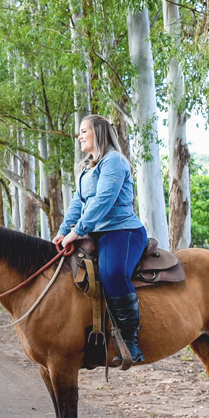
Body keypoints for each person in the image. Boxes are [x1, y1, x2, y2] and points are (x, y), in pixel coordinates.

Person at [53, 114, 148, 363]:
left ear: (99, 132)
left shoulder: (113, 161)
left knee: (112, 272)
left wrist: (78, 229)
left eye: (84, 131)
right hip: (97, 232)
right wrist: (63, 230)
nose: (79, 136)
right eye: (80, 132)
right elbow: (79, 201)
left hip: (122, 231)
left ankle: (130, 343)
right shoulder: (87, 167)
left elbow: (102, 201)